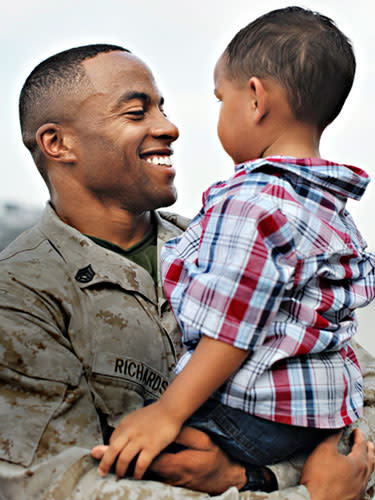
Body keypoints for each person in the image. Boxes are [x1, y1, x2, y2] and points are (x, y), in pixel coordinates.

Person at [0, 43, 373, 500]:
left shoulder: (230, 244)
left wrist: (248, 478)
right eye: (137, 113)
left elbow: (358, 388)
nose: (169, 127)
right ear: (58, 143)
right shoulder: (20, 295)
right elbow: (56, 485)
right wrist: (303, 493)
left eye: (163, 108)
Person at [93, 6, 375, 493]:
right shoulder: (330, 207)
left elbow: (231, 327)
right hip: (320, 413)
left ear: (255, 100)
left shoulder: (250, 203)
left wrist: (167, 412)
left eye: (220, 98)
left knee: (123, 450)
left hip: (253, 412)